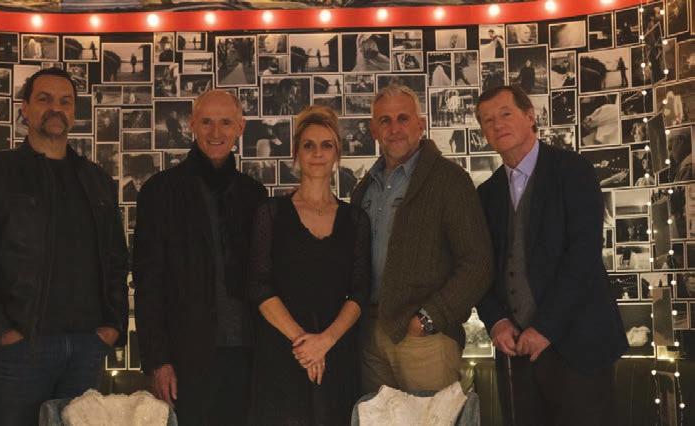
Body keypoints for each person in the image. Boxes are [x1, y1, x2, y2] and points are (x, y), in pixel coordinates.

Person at [0, 67, 128, 426]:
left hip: (87, 350)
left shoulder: (97, 180)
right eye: (44, 99)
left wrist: (113, 327)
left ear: (74, 112)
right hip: (20, 351)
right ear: (25, 109)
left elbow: (117, 260)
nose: (55, 108)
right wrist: (2, 332)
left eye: (65, 101)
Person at [474, 85, 628, 426]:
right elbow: (479, 267)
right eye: (487, 120)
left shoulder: (573, 170)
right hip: (517, 355)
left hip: (580, 347)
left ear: (530, 116)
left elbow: (583, 256)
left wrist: (544, 328)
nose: (497, 124)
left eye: (505, 114)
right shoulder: (486, 194)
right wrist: (496, 321)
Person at [134, 90, 267, 426]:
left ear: (240, 127)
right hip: (185, 358)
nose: (216, 132)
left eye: (225, 122)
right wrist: (157, 360)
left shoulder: (255, 195)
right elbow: (148, 283)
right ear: (192, 125)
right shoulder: (159, 192)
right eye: (206, 122)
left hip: (249, 355)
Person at [351, 85, 493, 394]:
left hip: (425, 339)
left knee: (433, 416)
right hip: (371, 336)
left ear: (421, 124)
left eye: (403, 118)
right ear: (374, 130)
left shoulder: (449, 180)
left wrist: (428, 320)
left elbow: (478, 263)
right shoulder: (365, 187)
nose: (394, 128)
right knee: (378, 417)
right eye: (385, 120)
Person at [248, 105, 370, 425]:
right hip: (282, 351)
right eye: (309, 145)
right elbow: (259, 286)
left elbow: (360, 291)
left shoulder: (356, 219)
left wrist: (325, 342)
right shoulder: (271, 213)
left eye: (326, 145)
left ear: (337, 154)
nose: (317, 153)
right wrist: (304, 344)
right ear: (296, 154)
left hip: (336, 353)